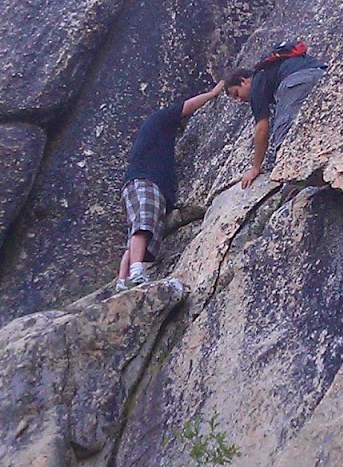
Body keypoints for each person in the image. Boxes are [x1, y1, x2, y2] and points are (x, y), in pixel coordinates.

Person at [119, 78, 227, 289]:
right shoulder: (160, 118)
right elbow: (186, 107)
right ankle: (136, 271)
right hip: (145, 181)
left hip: (140, 183)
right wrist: (213, 93)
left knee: (138, 229)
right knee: (143, 225)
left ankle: (122, 280)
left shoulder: (155, 135)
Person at [224, 40, 326, 189]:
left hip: (296, 81)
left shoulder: (257, 82)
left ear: (243, 81)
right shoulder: (273, 69)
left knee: (284, 133)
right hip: (320, 72)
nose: (239, 100)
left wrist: (255, 168)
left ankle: (292, 181)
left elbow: (262, 127)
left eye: (236, 94)